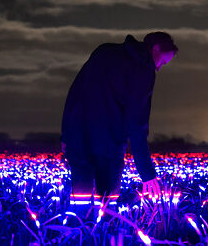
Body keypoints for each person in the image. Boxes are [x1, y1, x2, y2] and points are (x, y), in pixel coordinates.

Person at [61, 32, 177, 202]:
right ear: (156, 48)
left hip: (78, 137)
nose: (158, 67)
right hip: (109, 143)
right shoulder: (143, 69)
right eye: (162, 62)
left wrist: (66, 134)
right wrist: (147, 173)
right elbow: (137, 122)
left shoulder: (104, 51)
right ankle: (106, 227)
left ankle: (79, 228)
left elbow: (75, 92)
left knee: (81, 197)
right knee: (108, 202)